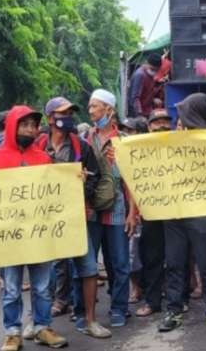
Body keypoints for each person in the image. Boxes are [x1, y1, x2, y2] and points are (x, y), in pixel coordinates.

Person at [0, 105, 68, 350]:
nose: (31, 129)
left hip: (38, 235)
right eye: (25, 125)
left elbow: (56, 193)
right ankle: (12, 332)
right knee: (11, 288)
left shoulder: (44, 158)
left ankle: (42, 327)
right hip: (8, 236)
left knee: (43, 287)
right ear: (12, 126)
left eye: (34, 125)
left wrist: (74, 179)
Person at [158, 93, 206, 334]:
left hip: (201, 213)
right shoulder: (173, 140)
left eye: (184, 112)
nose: (179, 117)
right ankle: (174, 310)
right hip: (174, 211)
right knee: (175, 262)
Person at [35, 97, 111, 339]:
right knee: (42, 272)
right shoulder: (36, 145)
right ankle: (39, 323)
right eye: (62, 113)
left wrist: (84, 196)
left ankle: (90, 320)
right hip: (44, 219)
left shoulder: (81, 147)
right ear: (49, 118)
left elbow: (95, 176)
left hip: (75, 218)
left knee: (88, 269)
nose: (67, 117)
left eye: (70, 113)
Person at [85, 89, 136, 328]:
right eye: (90, 106)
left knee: (120, 263)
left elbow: (132, 180)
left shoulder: (123, 140)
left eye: (95, 106)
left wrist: (132, 213)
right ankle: (85, 311)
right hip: (91, 211)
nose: (90, 110)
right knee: (87, 264)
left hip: (117, 211)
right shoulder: (86, 138)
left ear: (108, 109)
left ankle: (119, 308)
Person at [135, 109, 173, 317]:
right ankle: (153, 301)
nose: (161, 126)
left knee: (178, 257)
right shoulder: (139, 149)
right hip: (151, 211)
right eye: (157, 122)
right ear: (149, 127)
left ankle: (179, 300)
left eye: (166, 121)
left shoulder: (182, 145)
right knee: (151, 258)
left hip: (177, 210)